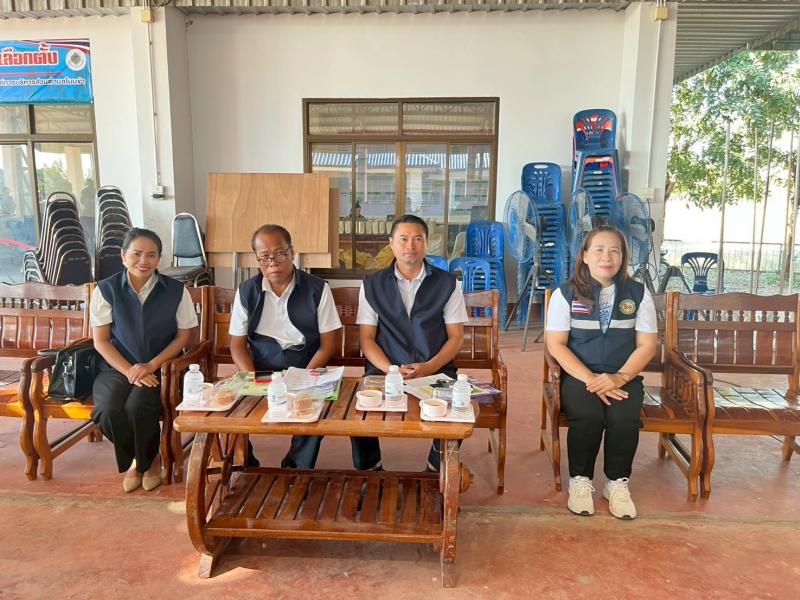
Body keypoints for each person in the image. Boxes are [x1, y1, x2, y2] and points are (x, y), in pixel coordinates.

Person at [545, 225, 657, 519]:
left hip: (623, 375)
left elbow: (647, 345)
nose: (607, 257)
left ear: (622, 258)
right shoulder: (565, 293)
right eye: (599, 250)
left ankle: (617, 483)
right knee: (588, 415)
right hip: (580, 375)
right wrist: (592, 379)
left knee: (624, 417)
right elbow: (556, 344)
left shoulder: (638, 293)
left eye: (614, 251)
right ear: (584, 255)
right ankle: (580, 480)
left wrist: (619, 378)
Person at [355, 214, 468, 471]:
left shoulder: (447, 284)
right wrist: (390, 369)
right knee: (360, 407)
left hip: (436, 368)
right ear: (391, 243)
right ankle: (370, 470)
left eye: (418, 239)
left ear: (427, 244)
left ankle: (435, 469)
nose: (410, 246)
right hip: (385, 370)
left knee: (459, 407)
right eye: (403, 239)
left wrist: (430, 367)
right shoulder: (372, 285)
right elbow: (367, 339)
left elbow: (456, 337)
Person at [91, 228, 199, 493]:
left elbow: (184, 336)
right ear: (123, 256)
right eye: (136, 254)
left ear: (159, 259)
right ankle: (144, 459)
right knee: (107, 410)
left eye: (151, 255)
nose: (144, 261)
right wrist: (131, 370)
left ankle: (146, 463)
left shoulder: (176, 291)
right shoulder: (106, 290)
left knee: (138, 407)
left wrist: (151, 365)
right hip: (117, 367)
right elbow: (101, 341)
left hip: (161, 368)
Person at [229, 224, 342, 468]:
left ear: (292, 253)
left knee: (316, 408)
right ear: (257, 259)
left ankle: (296, 466)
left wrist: (305, 378)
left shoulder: (317, 289)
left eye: (280, 254)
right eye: (264, 257)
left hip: (305, 367)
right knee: (228, 408)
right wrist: (252, 378)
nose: (273, 263)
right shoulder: (246, 291)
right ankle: (246, 463)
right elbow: (237, 345)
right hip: (260, 369)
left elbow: (328, 345)